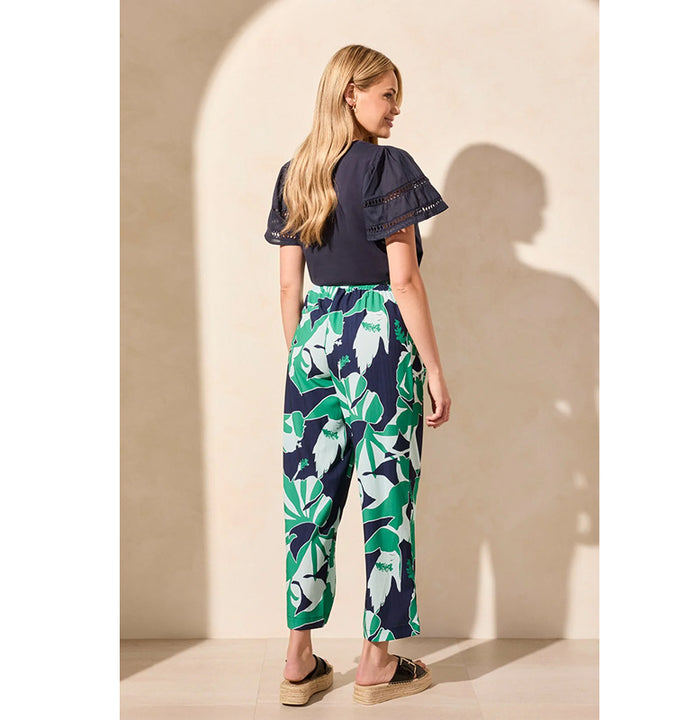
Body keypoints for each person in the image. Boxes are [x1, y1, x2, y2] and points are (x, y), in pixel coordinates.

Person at [264, 44, 451, 706]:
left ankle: (298, 658)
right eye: (387, 94)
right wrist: (433, 366)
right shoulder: (387, 166)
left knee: (308, 500)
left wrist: (306, 355)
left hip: (312, 339)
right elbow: (404, 278)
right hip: (379, 340)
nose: (395, 109)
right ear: (352, 92)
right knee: (387, 495)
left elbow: (288, 286)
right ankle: (376, 662)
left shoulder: (296, 172)